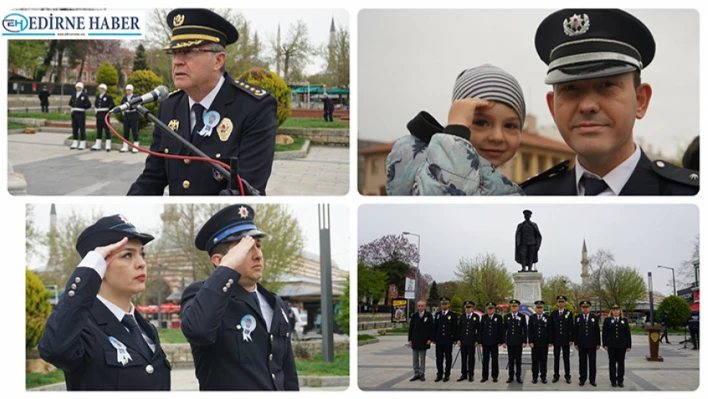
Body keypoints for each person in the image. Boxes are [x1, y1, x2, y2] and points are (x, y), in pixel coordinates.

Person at [523, 9, 699, 195]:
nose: (587, 106)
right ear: (552, 107)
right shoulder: (530, 197)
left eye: (607, 85)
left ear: (640, 101)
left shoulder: (688, 195)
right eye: (570, 89)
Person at [128, 9, 276, 196]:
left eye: (188, 52)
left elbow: (247, 189)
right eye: (174, 53)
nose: (177, 62)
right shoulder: (168, 107)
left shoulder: (254, 107)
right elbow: (152, 178)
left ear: (218, 60)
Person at [38, 215, 171, 390]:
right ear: (100, 267)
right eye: (127, 255)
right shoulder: (83, 329)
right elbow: (55, 349)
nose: (141, 264)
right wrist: (90, 268)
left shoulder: (145, 328)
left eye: (142, 254)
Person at [180, 204, 298, 390]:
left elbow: (287, 372)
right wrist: (226, 270)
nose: (258, 255)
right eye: (246, 248)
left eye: (258, 246)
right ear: (220, 261)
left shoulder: (275, 303)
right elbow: (197, 330)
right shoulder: (201, 295)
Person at [386, 64, 525, 196]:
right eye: (481, 123)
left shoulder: (496, 183)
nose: (497, 137)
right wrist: (456, 137)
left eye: (510, 125)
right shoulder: (422, 169)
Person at [602, 304, 631, 387]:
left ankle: (620, 380)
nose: (615, 311)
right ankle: (613, 380)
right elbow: (605, 333)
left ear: (620, 311)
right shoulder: (607, 320)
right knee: (612, 363)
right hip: (611, 345)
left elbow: (627, 333)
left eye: (617, 309)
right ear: (611, 311)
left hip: (622, 345)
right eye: (614, 310)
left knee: (621, 363)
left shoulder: (624, 320)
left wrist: (628, 345)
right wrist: (605, 344)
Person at [574, 300, 600, 386]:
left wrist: (598, 343)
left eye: (587, 307)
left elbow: (597, 331)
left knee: (592, 362)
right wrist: (576, 343)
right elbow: (576, 331)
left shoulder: (594, 317)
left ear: (590, 308)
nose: (585, 309)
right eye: (583, 307)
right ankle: (582, 379)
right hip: (581, 344)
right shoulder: (578, 317)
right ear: (581, 308)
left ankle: (592, 379)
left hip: (592, 344)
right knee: (582, 362)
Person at [549, 295, 573, 383]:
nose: (561, 304)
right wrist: (551, 341)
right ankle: (556, 375)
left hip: (566, 339)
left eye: (562, 302)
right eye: (559, 302)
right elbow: (551, 328)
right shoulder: (553, 314)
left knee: (566, 358)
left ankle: (567, 376)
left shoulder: (569, 313)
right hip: (556, 339)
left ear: (565, 303)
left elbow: (571, 327)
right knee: (556, 358)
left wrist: (571, 339)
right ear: (557, 304)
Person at [408, 300, 434, 381]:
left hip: (424, 340)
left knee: (422, 358)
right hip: (415, 340)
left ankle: (422, 373)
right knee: (415, 358)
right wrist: (410, 339)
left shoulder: (428, 316)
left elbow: (431, 328)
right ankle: (416, 373)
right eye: (419, 306)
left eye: (422, 306)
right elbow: (411, 328)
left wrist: (430, 338)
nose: (420, 307)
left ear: (425, 306)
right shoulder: (414, 316)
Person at [433, 296, 457, 382]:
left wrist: (455, 339)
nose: (444, 305)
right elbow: (435, 327)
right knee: (439, 358)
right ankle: (439, 374)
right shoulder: (438, 314)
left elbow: (455, 328)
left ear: (449, 305)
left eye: (445, 304)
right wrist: (434, 338)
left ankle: (447, 374)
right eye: (442, 304)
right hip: (439, 340)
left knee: (448, 358)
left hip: (448, 340)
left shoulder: (452, 315)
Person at [479, 302, 504, 383]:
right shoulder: (484, 317)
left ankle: (495, 376)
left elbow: (501, 330)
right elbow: (480, 330)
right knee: (485, 360)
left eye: (492, 308)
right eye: (489, 309)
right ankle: (484, 376)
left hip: (494, 342)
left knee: (495, 360)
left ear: (494, 309)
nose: (490, 310)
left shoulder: (498, 317)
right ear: (487, 309)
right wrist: (480, 341)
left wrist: (500, 341)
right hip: (485, 342)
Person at [503, 299, 527, 383]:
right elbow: (504, 330)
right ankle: (511, 376)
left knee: (518, 360)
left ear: (518, 307)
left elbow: (525, 329)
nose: (514, 308)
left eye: (515, 306)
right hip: (510, 341)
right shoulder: (507, 316)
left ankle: (518, 376)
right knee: (511, 359)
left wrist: (524, 341)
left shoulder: (522, 316)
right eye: (512, 306)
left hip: (518, 341)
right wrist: (504, 341)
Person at [456, 300, 480, 382]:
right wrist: (458, 339)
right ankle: (464, 374)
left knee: (471, 358)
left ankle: (471, 374)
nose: (468, 309)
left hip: (471, 341)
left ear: (472, 308)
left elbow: (478, 329)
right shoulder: (462, 316)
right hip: (463, 340)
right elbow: (459, 329)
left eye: (469, 307)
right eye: (466, 307)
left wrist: (477, 340)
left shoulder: (475, 317)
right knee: (463, 358)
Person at [528, 300, 550, 384]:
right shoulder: (532, 317)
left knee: (544, 360)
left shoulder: (547, 317)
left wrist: (550, 341)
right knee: (535, 361)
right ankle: (535, 377)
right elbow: (530, 330)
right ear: (535, 308)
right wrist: (530, 341)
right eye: (538, 307)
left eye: (541, 307)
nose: (539, 309)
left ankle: (543, 377)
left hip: (544, 343)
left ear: (543, 308)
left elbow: (549, 330)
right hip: (535, 343)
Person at [92, 83, 116, 152]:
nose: (101, 90)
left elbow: (112, 105)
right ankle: (98, 144)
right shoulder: (97, 96)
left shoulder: (108, 97)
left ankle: (108, 145)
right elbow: (96, 105)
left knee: (107, 130)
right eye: (100, 89)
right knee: (99, 130)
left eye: (102, 89)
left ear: (105, 90)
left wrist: (109, 112)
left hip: (105, 114)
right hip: (99, 114)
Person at [69, 82, 91, 150]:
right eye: (77, 87)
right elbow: (70, 103)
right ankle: (75, 142)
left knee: (82, 128)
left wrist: (83, 107)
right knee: (74, 128)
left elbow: (89, 104)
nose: (77, 88)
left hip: (81, 113)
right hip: (74, 113)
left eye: (79, 87)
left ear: (81, 88)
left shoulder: (84, 95)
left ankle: (82, 143)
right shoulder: (74, 94)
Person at [119, 84, 140, 153]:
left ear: (132, 91)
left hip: (133, 115)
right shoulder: (124, 98)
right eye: (127, 90)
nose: (128, 91)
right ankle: (125, 146)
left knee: (135, 131)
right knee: (126, 132)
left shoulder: (135, 98)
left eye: (129, 90)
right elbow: (121, 105)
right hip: (126, 115)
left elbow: (140, 105)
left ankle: (135, 147)